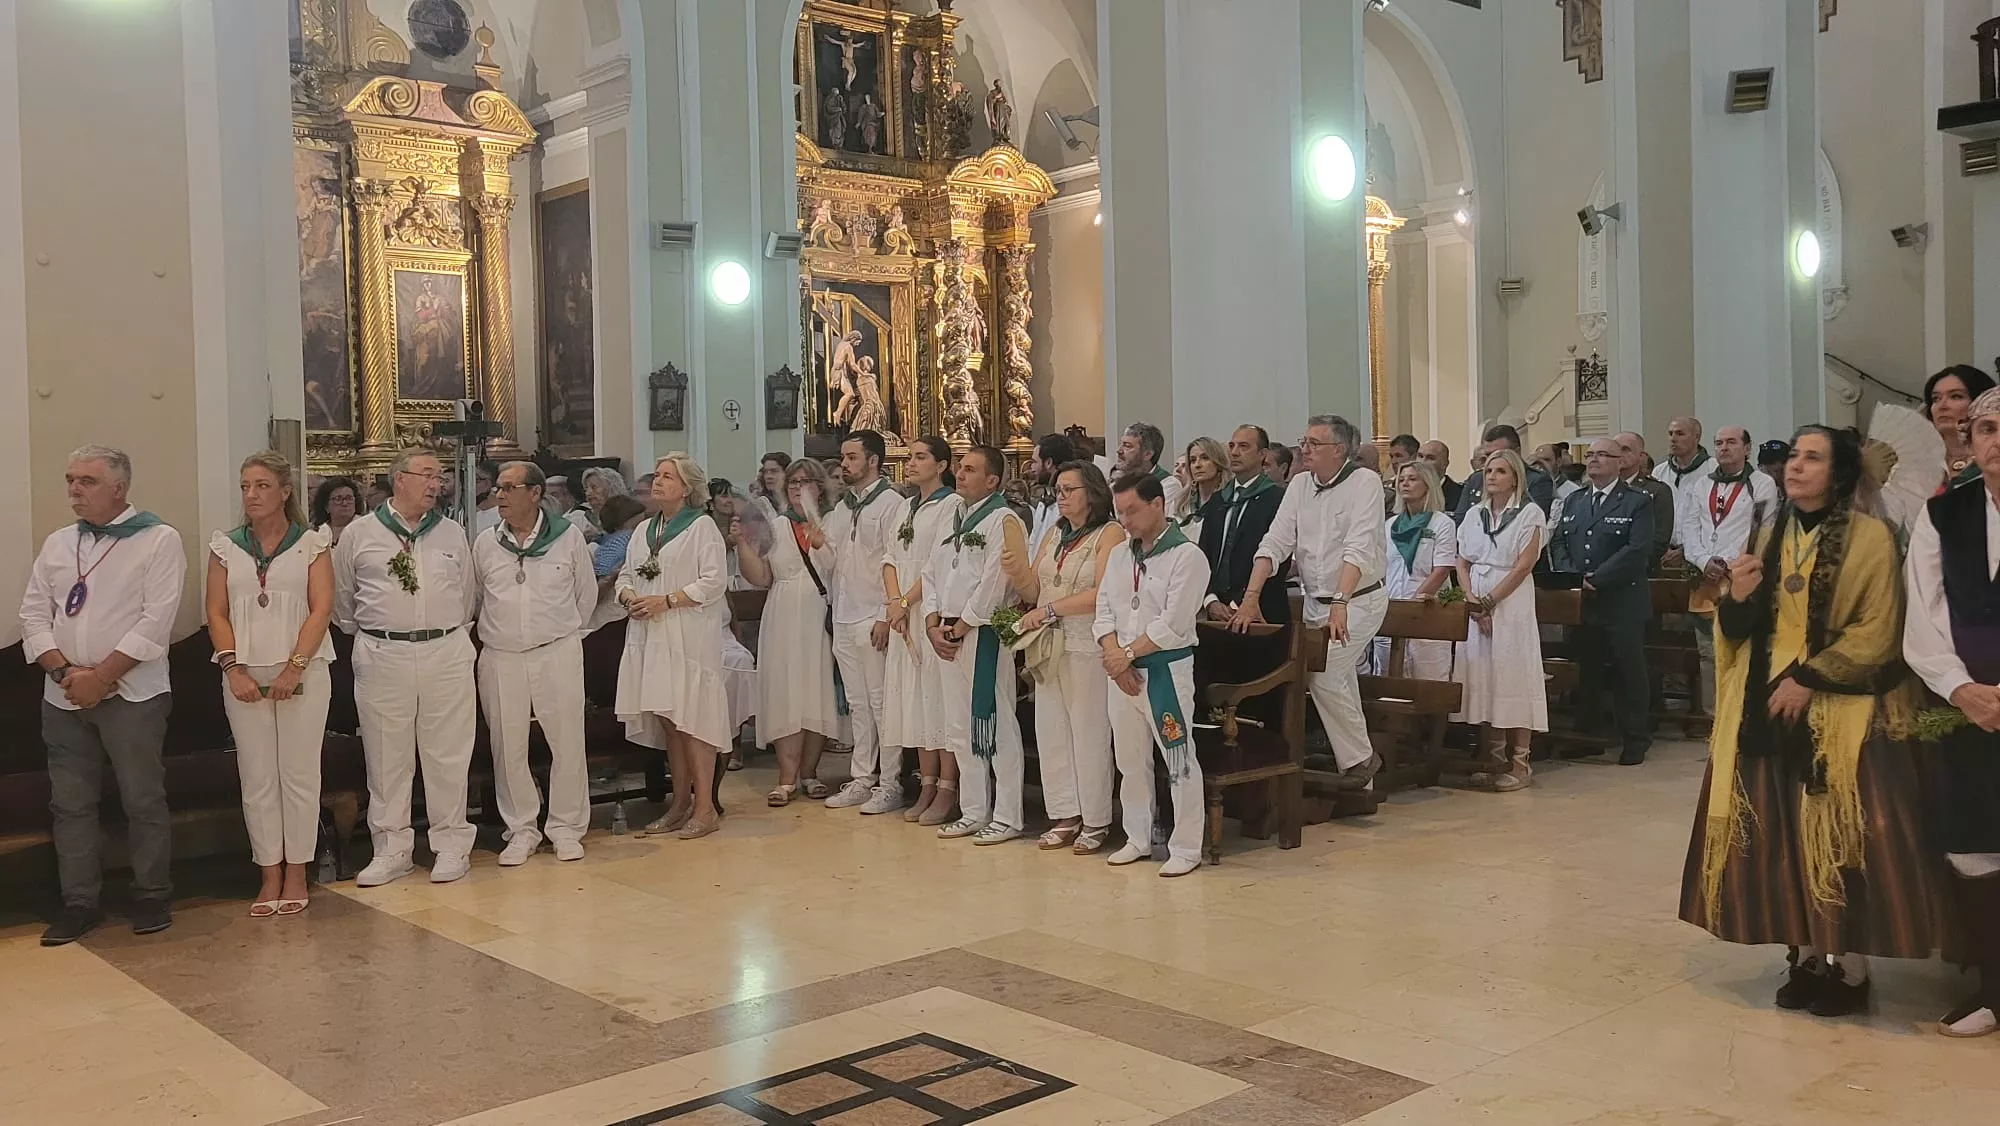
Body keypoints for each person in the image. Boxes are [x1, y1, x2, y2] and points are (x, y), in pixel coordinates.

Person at [1682, 425, 1944, 1017]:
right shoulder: (1768, 531)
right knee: (1778, 837)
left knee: (1843, 836)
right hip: (1762, 703)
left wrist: (1810, 678)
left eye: (1812, 457)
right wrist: (1738, 600)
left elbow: (1879, 628)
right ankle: (1800, 955)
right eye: (1794, 456)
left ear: (1841, 471)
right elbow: (1741, 624)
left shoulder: (1871, 537)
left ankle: (1849, 967)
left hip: (1839, 708)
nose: (1796, 466)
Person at [22, 446, 185, 945]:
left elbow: (156, 621)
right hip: (64, 697)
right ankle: (79, 903)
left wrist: (103, 675)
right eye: (71, 480)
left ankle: (152, 893)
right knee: (70, 805)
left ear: (120, 488)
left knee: (142, 798)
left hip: (133, 695)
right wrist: (67, 671)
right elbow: (32, 615)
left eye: (87, 481)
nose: (74, 490)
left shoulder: (159, 539)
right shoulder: (58, 543)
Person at [334, 447, 478, 886]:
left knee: (447, 753)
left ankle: (451, 846)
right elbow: (344, 604)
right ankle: (392, 848)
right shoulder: (359, 534)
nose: (437, 484)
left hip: (445, 650)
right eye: (427, 475)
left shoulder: (452, 533)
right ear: (400, 480)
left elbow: (468, 595)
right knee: (386, 755)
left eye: (439, 476)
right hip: (383, 653)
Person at [1904, 387, 2000, 1037]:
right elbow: (1923, 613)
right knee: (1975, 846)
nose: (1997, 440)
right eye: (1988, 428)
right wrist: (1962, 689)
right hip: (1969, 707)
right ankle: (1993, 989)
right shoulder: (1942, 516)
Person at [207, 452, 334, 917]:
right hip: (242, 675)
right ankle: (269, 872)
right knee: (258, 777)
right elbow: (216, 611)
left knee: (298, 774)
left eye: (261, 486)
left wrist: (294, 667)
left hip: (301, 671)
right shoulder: (226, 546)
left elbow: (321, 608)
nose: (251, 495)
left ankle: (298, 870)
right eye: (245, 486)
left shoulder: (311, 544)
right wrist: (233, 669)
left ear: (284, 491)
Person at [1236, 415, 1390, 791]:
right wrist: (1250, 596)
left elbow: (1359, 546)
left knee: (1322, 672)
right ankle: (1362, 783)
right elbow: (1275, 542)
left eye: (1313, 444)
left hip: (1359, 599)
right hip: (1314, 601)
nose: (1304, 449)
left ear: (1338, 450)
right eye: (1303, 441)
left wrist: (1341, 599)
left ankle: (1361, 760)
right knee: (1340, 678)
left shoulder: (1363, 482)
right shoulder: (1301, 484)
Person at [473, 462, 597, 865]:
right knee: (507, 745)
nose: (500, 496)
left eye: (510, 488)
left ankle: (565, 827)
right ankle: (521, 828)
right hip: (501, 655)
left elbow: (586, 596)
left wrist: (562, 635)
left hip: (556, 649)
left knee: (566, 741)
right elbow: (474, 600)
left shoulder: (568, 537)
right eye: (498, 488)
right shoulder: (486, 542)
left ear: (536, 493)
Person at [1088, 470, 1211, 877]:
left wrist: (1125, 655)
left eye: (1133, 511)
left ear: (1158, 504)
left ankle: (1187, 846)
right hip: (1121, 673)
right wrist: (1114, 654)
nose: (1125, 521)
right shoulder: (1122, 554)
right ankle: (1137, 837)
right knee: (1130, 758)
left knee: (1178, 757)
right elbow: (1104, 610)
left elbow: (1173, 623)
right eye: (1120, 512)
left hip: (1163, 672)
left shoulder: (1186, 555)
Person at [615, 453, 731, 838]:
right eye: (658, 475)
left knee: (694, 720)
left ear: (687, 488)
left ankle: (705, 807)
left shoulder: (701, 528)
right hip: (652, 634)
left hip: (688, 635)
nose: (659, 481)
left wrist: (666, 600)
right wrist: (629, 595)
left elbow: (714, 582)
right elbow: (626, 575)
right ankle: (679, 802)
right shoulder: (644, 529)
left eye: (668, 476)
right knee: (670, 722)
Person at [1010, 461, 1124, 854]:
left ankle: (1095, 819)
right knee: (1051, 730)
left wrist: (1051, 610)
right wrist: (1014, 570)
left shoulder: (1110, 533)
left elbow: (1105, 591)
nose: (1060, 496)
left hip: (1086, 643)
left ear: (1092, 492)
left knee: (1088, 731)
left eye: (1069, 489)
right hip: (1048, 643)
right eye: (1057, 489)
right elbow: (1035, 584)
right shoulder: (1055, 533)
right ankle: (1064, 813)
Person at [923, 445, 1030, 844]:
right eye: (961, 468)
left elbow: (994, 582)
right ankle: (972, 810)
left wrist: (961, 626)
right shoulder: (954, 515)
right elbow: (930, 572)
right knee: (958, 725)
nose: (961, 475)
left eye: (970, 470)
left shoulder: (1003, 519)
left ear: (993, 480)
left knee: (995, 722)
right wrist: (933, 622)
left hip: (981, 633)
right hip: (947, 632)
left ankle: (1007, 815)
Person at [740, 458, 842, 806]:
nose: (800, 488)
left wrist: (819, 542)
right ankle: (786, 778)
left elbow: (839, 571)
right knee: (785, 691)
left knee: (813, 689)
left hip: (816, 610)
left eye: (807, 481)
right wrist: (743, 544)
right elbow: (762, 577)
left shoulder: (833, 521)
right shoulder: (776, 524)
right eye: (794, 482)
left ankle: (810, 773)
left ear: (821, 486)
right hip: (782, 610)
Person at [1548, 438, 1656, 765]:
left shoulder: (1637, 501)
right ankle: (1588, 735)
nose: (1593, 460)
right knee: (1588, 671)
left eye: (1602, 455)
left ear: (1620, 461)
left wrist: (1596, 578)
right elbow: (1560, 544)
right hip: (1582, 601)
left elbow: (1637, 551)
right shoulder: (1576, 501)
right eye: (1590, 455)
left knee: (1628, 671)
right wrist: (1572, 577)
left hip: (1621, 600)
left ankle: (1636, 737)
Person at [822, 430, 908, 814]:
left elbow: (895, 561)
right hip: (843, 613)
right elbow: (834, 565)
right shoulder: (842, 508)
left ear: (873, 461)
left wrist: (883, 614)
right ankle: (861, 778)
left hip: (873, 615)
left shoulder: (892, 505)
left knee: (881, 703)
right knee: (857, 704)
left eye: (852, 457)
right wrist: (819, 545)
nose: (845, 464)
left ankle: (890, 783)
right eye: (844, 457)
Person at [1451, 450, 1548, 791]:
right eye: (1488, 470)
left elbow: (1524, 565)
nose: (1491, 476)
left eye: (1501, 471)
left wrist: (1491, 602)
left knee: (1513, 675)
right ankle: (1493, 758)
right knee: (1485, 676)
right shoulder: (1475, 514)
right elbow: (1461, 562)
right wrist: (1473, 602)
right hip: (1477, 600)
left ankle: (1520, 762)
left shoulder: (1529, 514)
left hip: (1511, 603)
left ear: (1515, 477)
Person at [880, 436, 964, 826]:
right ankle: (926, 783)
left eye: (920, 457)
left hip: (930, 611)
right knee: (914, 701)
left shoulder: (952, 506)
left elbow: (938, 562)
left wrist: (906, 602)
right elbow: (889, 558)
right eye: (910, 457)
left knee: (938, 700)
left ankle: (948, 786)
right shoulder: (904, 506)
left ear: (942, 465)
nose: (910, 464)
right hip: (903, 614)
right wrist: (894, 602)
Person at [1679, 426, 1778, 718]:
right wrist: (1703, 560)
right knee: (1708, 652)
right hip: (1705, 577)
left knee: (1742, 649)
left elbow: (1760, 530)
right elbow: (1690, 527)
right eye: (1719, 443)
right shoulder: (1701, 485)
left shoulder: (1762, 484)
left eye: (1731, 442)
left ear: (1747, 449)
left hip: (1741, 577)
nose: (1724, 448)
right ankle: (1714, 716)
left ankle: (1744, 713)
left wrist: (1728, 563)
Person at [1376, 461, 1457, 680]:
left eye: (1412, 479)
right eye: (1401, 480)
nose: (1405, 484)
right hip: (1392, 606)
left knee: (1428, 674)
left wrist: (1415, 602)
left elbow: (1442, 568)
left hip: (1426, 608)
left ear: (1428, 484)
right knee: (1389, 674)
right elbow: (1381, 567)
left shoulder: (1441, 523)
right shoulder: (1390, 525)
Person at [1202, 425, 1289, 626]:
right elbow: (1204, 555)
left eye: (1243, 446)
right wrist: (1210, 600)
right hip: (1216, 613)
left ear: (1263, 454)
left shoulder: (1277, 499)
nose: (1234, 452)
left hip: (1262, 610)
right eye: (1231, 446)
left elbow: (1279, 557)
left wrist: (1241, 600)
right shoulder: (1218, 500)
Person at [1454, 425, 1554, 520]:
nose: (1492, 458)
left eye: (1499, 453)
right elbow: (1460, 519)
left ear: (1517, 452)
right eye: (1488, 454)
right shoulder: (1476, 479)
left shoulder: (1537, 480)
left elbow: (1536, 520)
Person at [1924, 364, 1996, 493]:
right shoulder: (1919, 459)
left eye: (1956, 396)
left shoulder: (1993, 458)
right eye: (1936, 399)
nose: (1942, 405)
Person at [1653, 416, 1711, 570]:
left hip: (1700, 554)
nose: (1673, 439)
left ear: (1697, 437)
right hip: (1663, 554)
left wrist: (1686, 551)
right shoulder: (1660, 471)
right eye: (1670, 433)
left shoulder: (1712, 469)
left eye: (1680, 434)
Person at [1614, 431, 1675, 573]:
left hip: (1640, 572)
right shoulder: (1600, 488)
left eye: (1626, 449)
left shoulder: (1657, 490)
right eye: (1616, 450)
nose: (1620, 454)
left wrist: (1624, 568)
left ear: (1641, 456)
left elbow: (1659, 540)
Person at [1025, 433, 1076, 559]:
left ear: (1048, 462)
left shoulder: (1071, 501)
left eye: (1035, 462)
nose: (1032, 468)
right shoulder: (1045, 499)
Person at [1115, 421, 1184, 515]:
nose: (1119, 451)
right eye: (1121, 444)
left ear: (1147, 454)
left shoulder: (1168, 485)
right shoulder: (1117, 483)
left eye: (1127, 446)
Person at [1174, 437, 1227, 537]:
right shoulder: (1182, 502)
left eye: (1205, 458)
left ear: (1218, 463)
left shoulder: (1228, 500)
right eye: (1193, 460)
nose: (1197, 465)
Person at [310, 475, 360, 546]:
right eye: (338, 499)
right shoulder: (316, 531)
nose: (345, 503)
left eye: (349, 498)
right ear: (326, 505)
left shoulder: (364, 527)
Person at [1420, 440, 1463, 511]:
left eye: (1430, 458)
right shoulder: (1408, 491)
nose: (1422, 462)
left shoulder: (1460, 495)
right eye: (1420, 456)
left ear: (1444, 464)